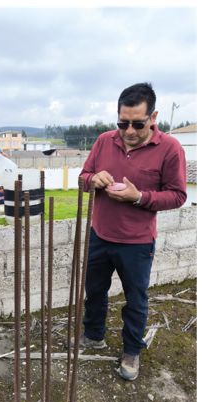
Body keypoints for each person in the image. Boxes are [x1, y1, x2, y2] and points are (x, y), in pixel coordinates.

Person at [79, 82, 186, 381]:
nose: (128, 131)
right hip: (100, 234)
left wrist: (139, 198)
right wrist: (93, 179)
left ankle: (131, 350)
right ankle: (94, 334)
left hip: (137, 243)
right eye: (122, 123)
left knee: (136, 299)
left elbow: (177, 195)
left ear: (154, 117)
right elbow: (83, 177)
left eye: (138, 124)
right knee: (95, 291)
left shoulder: (169, 149)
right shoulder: (103, 141)